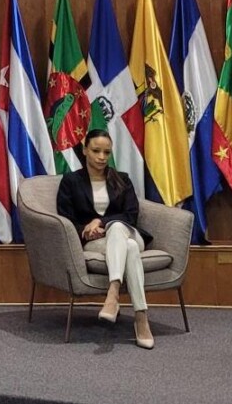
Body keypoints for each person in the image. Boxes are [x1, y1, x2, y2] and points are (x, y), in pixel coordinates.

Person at [56, 129, 155, 349]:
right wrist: (85, 230)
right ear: (85, 150)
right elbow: (65, 217)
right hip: (97, 242)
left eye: (107, 152)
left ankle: (113, 294)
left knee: (118, 228)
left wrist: (101, 221)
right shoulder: (71, 181)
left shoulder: (122, 179)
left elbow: (131, 215)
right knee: (129, 249)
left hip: (128, 232)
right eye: (96, 151)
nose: (102, 157)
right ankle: (141, 318)